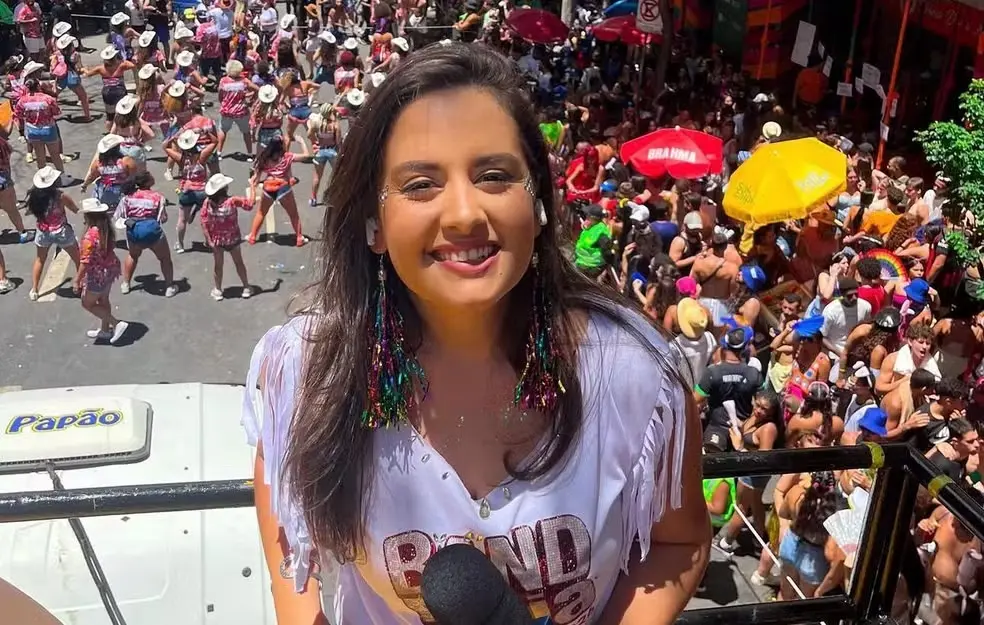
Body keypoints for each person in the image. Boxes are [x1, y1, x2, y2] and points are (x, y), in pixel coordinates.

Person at [243, 43, 708, 624]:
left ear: (537, 204)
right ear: (373, 224)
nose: (464, 213)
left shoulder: (634, 376)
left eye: (494, 175)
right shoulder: (307, 371)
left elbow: (677, 540)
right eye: (419, 185)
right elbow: (287, 528)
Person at [74, 198, 128, 344]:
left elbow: (85, 262)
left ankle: (116, 323)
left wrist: (77, 280)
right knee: (103, 299)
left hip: (97, 274)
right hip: (110, 269)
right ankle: (105, 329)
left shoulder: (89, 237)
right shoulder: (106, 229)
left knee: (87, 303)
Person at [201, 173, 253, 300]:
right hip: (233, 238)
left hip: (217, 239)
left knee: (218, 265)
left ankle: (218, 290)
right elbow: (249, 205)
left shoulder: (208, 203)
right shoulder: (232, 201)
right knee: (239, 263)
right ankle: (246, 287)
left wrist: (208, 239)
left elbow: (204, 221)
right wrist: (252, 185)